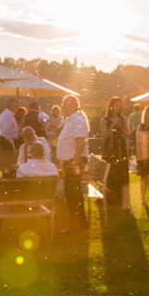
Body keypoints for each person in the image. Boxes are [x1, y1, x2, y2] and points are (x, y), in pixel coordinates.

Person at [55, 94, 90, 234]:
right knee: (73, 194)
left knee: (72, 194)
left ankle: (76, 226)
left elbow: (80, 142)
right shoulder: (71, 119)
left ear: (75, 105)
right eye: (63, 105)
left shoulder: (77, 119)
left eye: (67, 104)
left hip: (74, 162)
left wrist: (74, 163)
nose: (64, 107)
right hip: (70, 161)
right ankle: (80, 225)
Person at [100, 96, 130, 206]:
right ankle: (110, 200)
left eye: (120, 105)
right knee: (110, 174)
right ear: (111, 106)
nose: (118, 107)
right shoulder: (104, 120)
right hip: (109, 150)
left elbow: (128, 134)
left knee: (121, 174)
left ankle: (122, 200)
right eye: (116, 105)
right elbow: (104, 135)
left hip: (121, 150)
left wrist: (121, 127)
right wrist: (112, 125)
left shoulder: (124, 119)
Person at [135, 103, 149, 204]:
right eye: (148, 114)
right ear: (145, 115)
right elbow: (139, 141)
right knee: (144, 177)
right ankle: (143, 198)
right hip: (143, 155)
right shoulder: (141, 127)